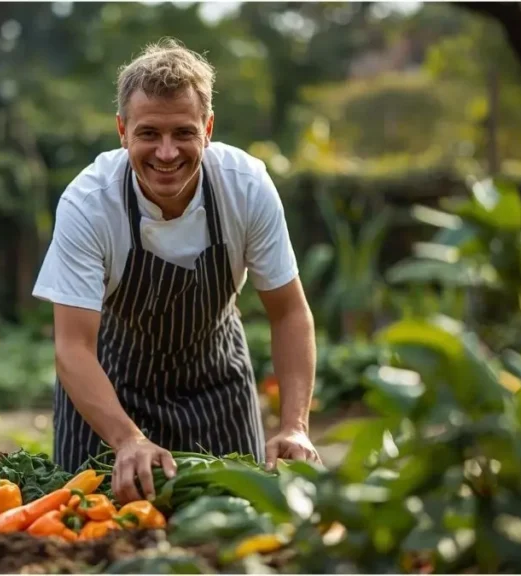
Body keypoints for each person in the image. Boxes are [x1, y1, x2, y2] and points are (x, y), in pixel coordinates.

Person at [32, 38, 321, 504]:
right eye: (149, 133)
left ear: (207, 128)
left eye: (183, 133)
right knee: (94, 534)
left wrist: (295, 426)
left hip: (217, 388)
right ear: (122, 130)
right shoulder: (89, 204)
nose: (167, 153)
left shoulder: (246, 188)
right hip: (112, 389)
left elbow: (289, 313)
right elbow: (72, 347)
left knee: (236, 529)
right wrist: (127, 439)